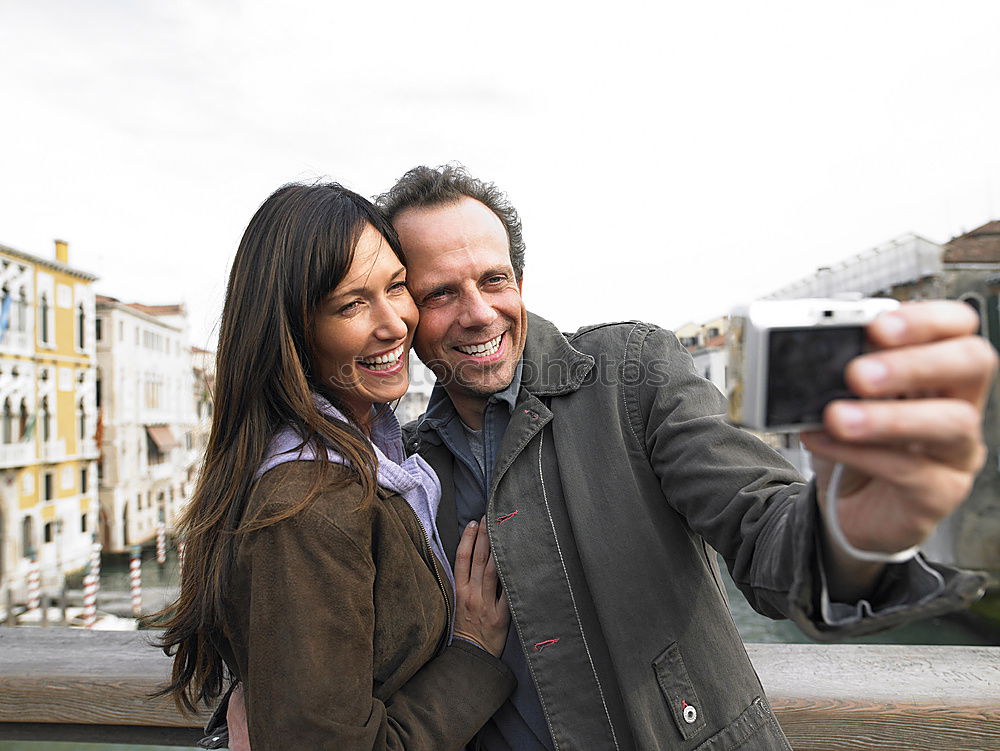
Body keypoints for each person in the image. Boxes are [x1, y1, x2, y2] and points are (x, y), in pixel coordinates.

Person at [371, 164, 996, 750]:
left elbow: (759, 523)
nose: (479, 313)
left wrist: (848, 532)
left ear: (521, 283)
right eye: (441, 294)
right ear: (402, 311)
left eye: (494, 280)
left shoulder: (631, 374)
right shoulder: (410, 467)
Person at [153, 182, 515, 750]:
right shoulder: (309, 504)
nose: (395, 323)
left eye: (397, 287)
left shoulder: (363, 457)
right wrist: (472, 653)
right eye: (351, 304)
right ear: (294, 332)